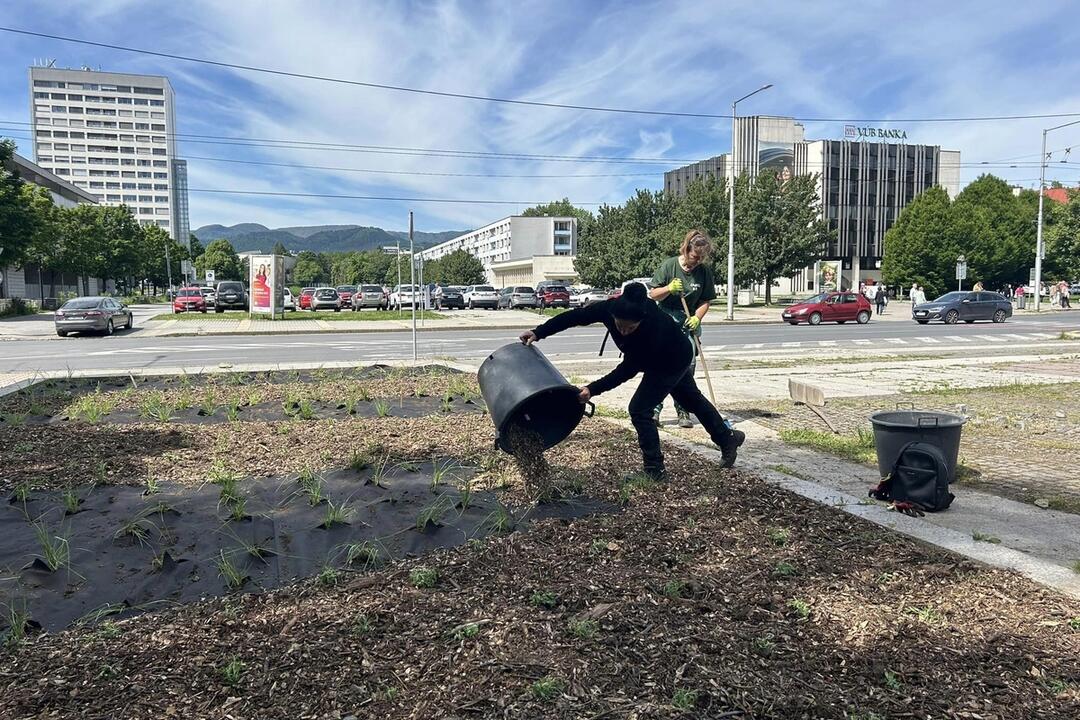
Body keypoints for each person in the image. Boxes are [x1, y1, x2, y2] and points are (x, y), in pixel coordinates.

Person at [519, 282, 745, 480]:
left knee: (639, 409)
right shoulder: (609, 308)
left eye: (630, 328)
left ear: (641, 320)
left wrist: (593, 389)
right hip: (666, 355)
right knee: (691, 400)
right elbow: (574, 317)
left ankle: (654, 469)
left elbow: (627, 369)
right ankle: (727, 439)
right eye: (619, 326)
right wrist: (539, 332)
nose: (624, 332)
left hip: (672, 358)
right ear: (614, 314)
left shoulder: (653, 328)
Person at [648, 230, 716, 429]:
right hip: (666, 321)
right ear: (686, 249)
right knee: (661, 367)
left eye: (701, 258)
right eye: (695, 257)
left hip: (688, 322)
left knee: (686, 368)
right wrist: (668, 288)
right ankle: (654, 410)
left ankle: (683, 410)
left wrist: (697, 317)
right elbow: (653, 294)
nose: (697, 262)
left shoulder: (703, 272)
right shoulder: (669, 266)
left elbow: (706, 301)